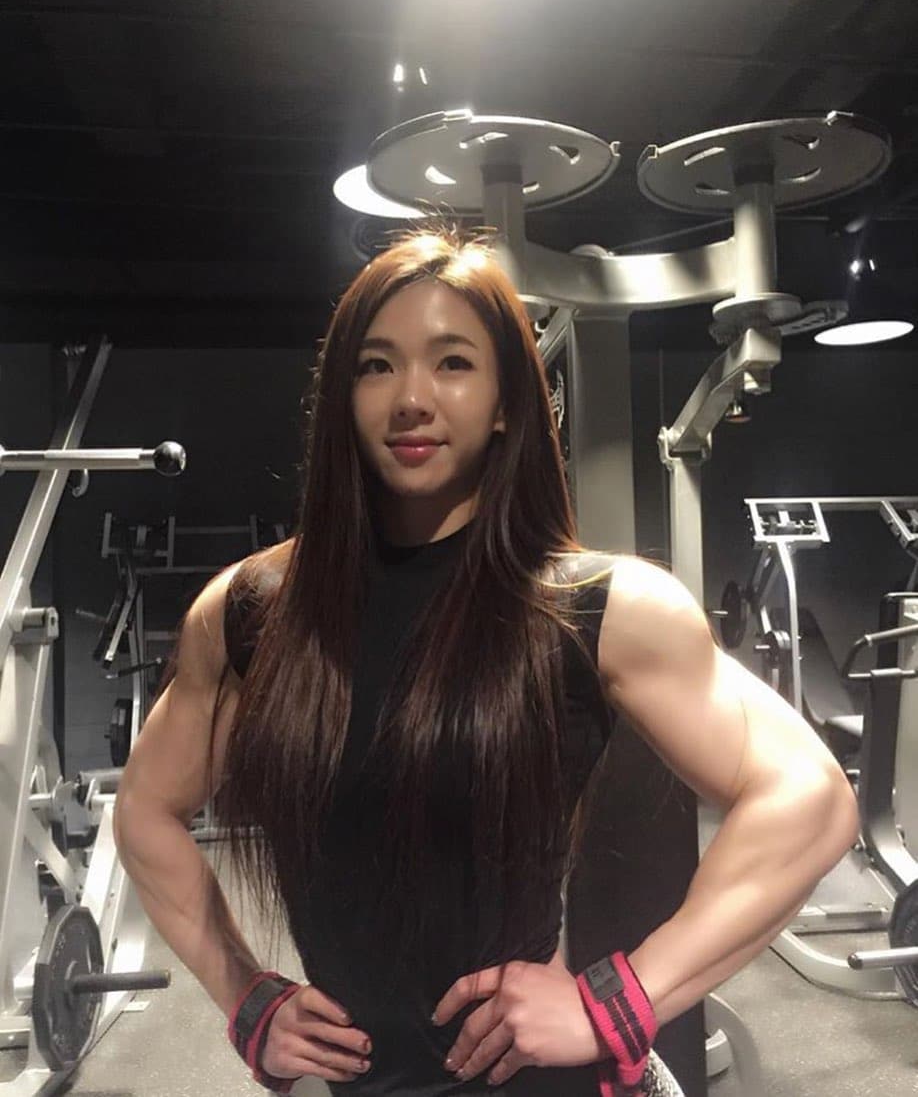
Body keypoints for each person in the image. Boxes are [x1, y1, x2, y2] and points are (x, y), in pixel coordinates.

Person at [113, 227, 858, 1097]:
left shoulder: (596, 606)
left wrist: (619, 1003)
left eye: (453, 363)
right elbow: (146, 811)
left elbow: (810, 799)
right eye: (377, 365)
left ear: (506, 401)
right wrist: (246, 997)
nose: (411, 398)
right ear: (343, 395)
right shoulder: (253, 612)